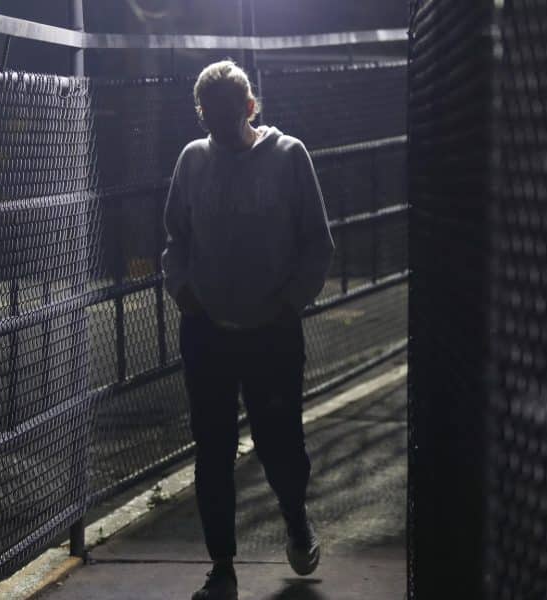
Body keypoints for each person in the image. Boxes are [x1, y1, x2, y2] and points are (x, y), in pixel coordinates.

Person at [161, 60, 335, 600]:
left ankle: (295, 516)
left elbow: (317, 241)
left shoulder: (288, 156)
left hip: (269, 332)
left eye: (228, 113)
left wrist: (288, 304)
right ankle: (222, 568)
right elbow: (176, 238)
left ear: (250, 108)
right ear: (202, 115)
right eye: (210, 116)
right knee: (212, 449)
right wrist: (183, 290)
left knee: (280, 443)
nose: (219, 125)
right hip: (208, 331)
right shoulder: (193, 161)